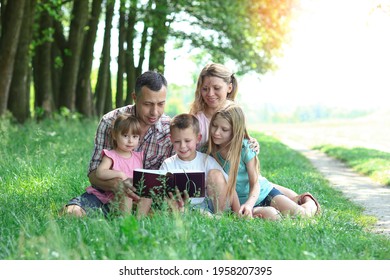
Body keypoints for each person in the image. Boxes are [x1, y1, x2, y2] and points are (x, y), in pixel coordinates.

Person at [189, 63, 321, 213]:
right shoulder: (196, 120)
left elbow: (243, 141)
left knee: (263, 186)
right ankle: (290, 201)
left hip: (245, 181)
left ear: (229, 88)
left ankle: (306, 201)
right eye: (205, 89)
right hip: (223, 181)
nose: (210, 93)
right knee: (256, 186)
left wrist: (252, 142)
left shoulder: (232, 113)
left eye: (216, 88)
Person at [65, 70, 174, 216]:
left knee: (172, 215)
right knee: (72, 213)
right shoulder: (110, 121)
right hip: (107, 196)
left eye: (161, 104)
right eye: (148, 104)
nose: (154, 112)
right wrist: (117, 185)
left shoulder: (170, 130)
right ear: (135, 98)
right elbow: (93, 174)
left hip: (148, 201)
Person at [206, 103, 320, 218]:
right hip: (239, 205)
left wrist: (249, 205)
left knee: (301, 215)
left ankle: (308, 200)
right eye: (214, 126)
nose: (216, 132)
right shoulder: (208, 151)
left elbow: (255, 184)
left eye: (224, 129)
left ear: (236, 131)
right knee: (273, 217)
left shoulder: (245, 149)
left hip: (263, 194)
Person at [67, 114, 152, 216]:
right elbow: (100, 173)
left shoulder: (139, 157)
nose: (130, 141)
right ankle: (125, 221)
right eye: (125, 136)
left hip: (133, 196)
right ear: (115, 135)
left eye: (135, 136)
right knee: (124, 194)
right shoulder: (111, 155)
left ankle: (140, 221)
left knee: (147, 196)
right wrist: (120, 174)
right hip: (111, 196)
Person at [159, 113, 241, 215]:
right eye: (177, 141)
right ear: (171, 140)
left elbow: (229, 186)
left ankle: (219, 216)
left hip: (207, 206)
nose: (183, 146)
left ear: (198, 138)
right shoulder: (168, 164)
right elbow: (161, 194)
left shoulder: (206, 160)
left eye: (187, 141)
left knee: (216, 174)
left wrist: (238, 212)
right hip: (180, 208)